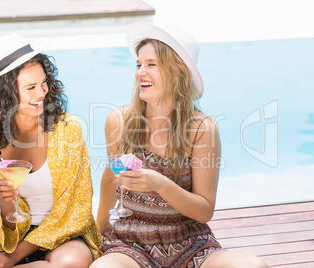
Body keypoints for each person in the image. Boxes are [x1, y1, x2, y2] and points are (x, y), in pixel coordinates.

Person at [90, 22, 268, 268]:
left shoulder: (201, 129)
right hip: (130, 244)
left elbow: (204, 211)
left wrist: (160, 184)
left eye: (151, 65)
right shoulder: (119, 121)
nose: (140, 72)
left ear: (177, 72)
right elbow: (111, 181)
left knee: (253, 266)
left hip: (190, 242)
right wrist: (97, 238)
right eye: (139, 64)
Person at [0, 33, 102, 267]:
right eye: (31, 87)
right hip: (11, 240)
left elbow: (76, 210)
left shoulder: (67, 130)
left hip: (64, 237)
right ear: (5, 94)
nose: (42, 92)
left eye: (44, 82)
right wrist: (6, 203)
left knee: (69, 263)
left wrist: (14, 257)